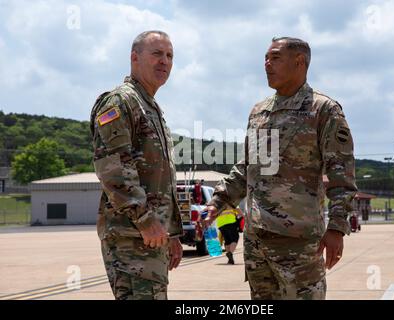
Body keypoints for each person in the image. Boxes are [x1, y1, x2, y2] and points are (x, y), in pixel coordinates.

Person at [205, 37, 357, 300]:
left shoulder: (323, 110)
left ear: (299, 62)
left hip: (298, 241)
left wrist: (336, 228)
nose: (266, 64)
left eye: (275, 57)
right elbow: (247, 168)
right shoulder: (260, 112)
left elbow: (341, 174)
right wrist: (217, 201)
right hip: (257, 241)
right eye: (266, 58)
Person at [90, 30, 183, 300]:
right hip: (131, 235)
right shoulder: (121, 102)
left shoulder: (150, 107)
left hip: (151, 234)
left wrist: (172, 233)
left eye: (169, 56)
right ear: (134, 57)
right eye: (156, 54)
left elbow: (161, 179)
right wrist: (145, 220)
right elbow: (113, 168)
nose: (164, 61)